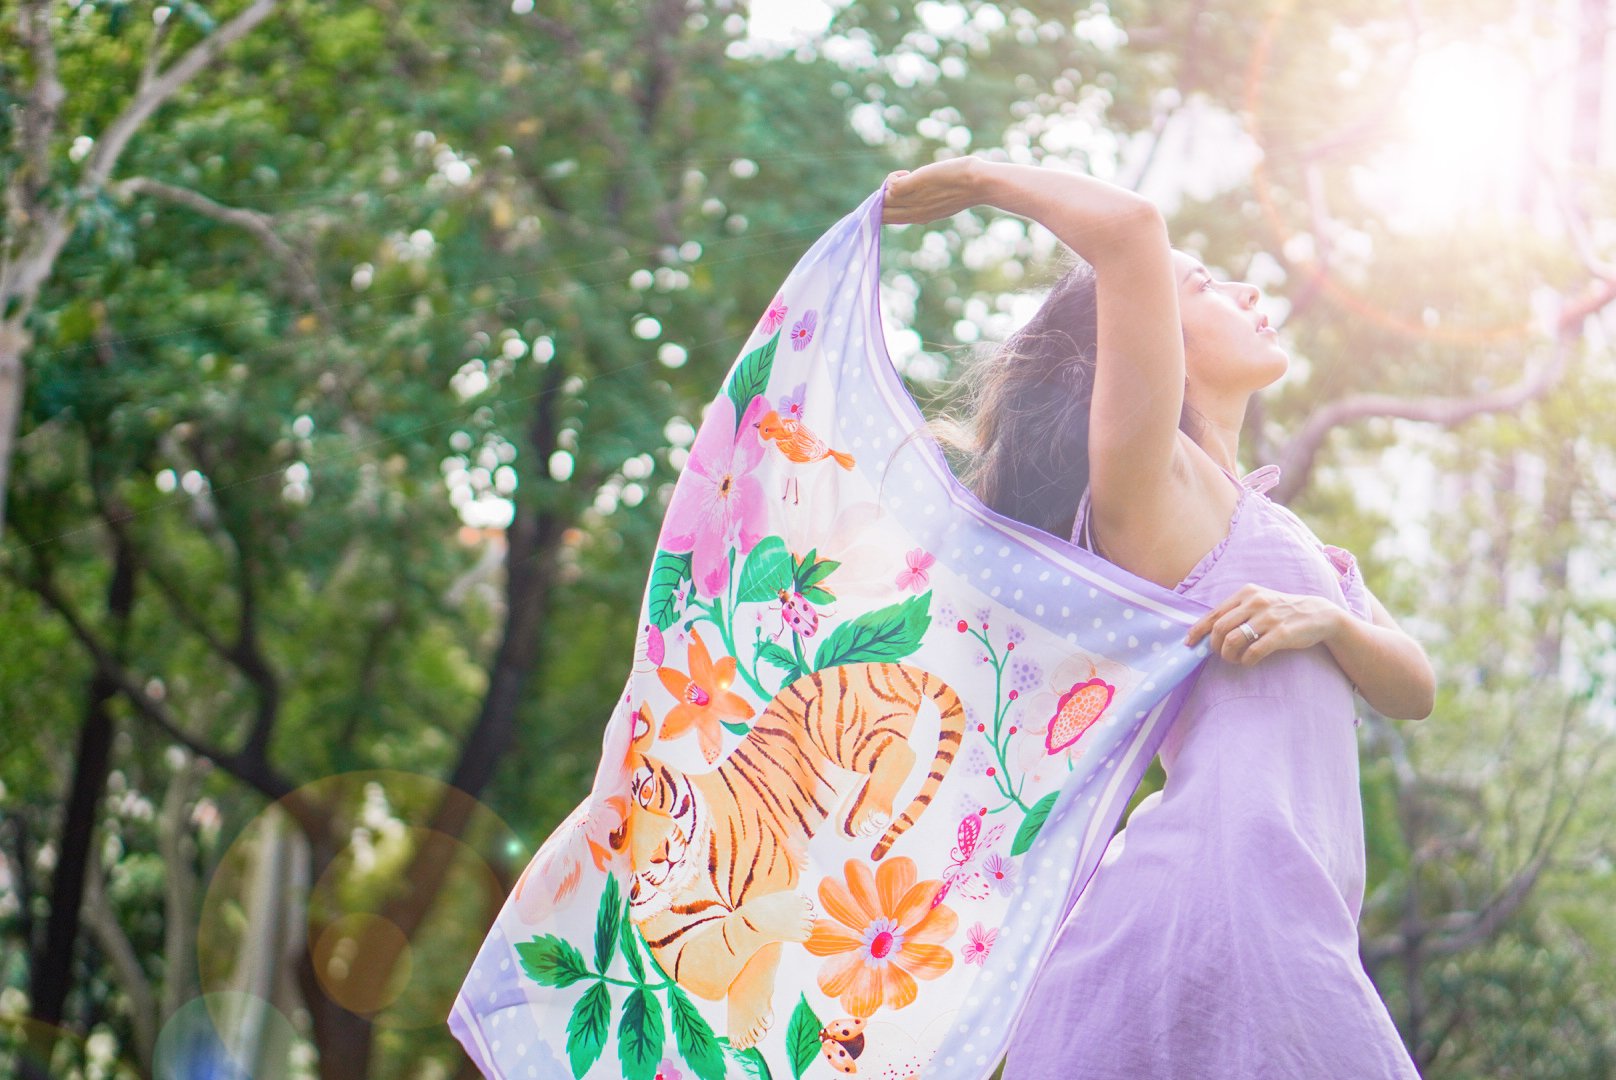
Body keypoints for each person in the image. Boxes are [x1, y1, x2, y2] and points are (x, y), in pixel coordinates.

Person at [881, 157, 1435, 1079]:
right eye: (1205, 285)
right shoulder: (1150, 485)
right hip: (1222, 905)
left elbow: (1413, 687)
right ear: (1149, 338)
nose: (1249, 289)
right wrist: (976, 179)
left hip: (1268, 907)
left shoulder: (1280, 531)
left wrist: (1332, 624)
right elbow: (1132, 227)